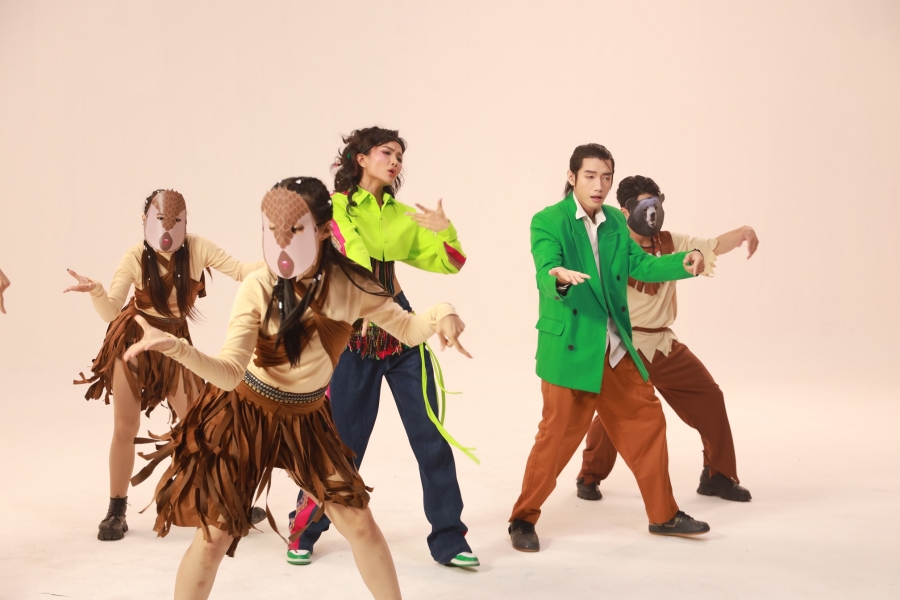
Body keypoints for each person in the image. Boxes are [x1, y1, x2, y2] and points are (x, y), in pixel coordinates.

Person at [126, 177, 472, 600]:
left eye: (294, 230)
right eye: (271, 230)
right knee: (215, 535)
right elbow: (230, 372)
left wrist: (443, 312)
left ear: (324, 231)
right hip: (246, 416)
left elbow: (408, 329)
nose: (281, 242)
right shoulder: (257, 286)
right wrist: (177, 348)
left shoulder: (351, 285)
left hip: (308, 420)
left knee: (361, 525)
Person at [508, 144, 711, 553]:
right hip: (571, 350)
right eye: (590, 176)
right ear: (572, 177)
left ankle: (663, 515)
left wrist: (683, 262)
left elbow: (641, 265)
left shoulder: (616, 221)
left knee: (647, 421)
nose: (599, 185)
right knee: (555, 440)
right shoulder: (548, 220)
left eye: (606, 177)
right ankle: (523, 518)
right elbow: (545, 268)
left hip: (616, 348)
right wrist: (558, 276)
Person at [297, 127, 479, 569]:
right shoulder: (336, 207)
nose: (395, 161)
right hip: (355, 331)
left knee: (431, 437)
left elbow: (451, 263)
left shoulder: (401, 214)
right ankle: (305, 528)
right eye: (386, 152)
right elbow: (354, 259)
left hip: (400, 328)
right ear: (360, 158)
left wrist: (445, 230)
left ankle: (450, 539)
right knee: (343, 446)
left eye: (399, 155)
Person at [65, 189, 264, 541]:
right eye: (160, 220)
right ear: (145, 221)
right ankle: (116, 509)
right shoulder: (134, 256)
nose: (168, 229)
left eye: (176, 221)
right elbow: (111, 312)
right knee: (126, 426)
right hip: (134, 342)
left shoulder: (198, 248)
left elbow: (240, 271)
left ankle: (226, 502)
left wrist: (284, 258)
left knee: (200, 426)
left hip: (174, 345)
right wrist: (96, 290)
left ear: (185, 223)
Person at [576, 175, 757, 503]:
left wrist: (742, 232)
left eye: (656, 206)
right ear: (625, 211)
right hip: (625, 345)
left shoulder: (671, 242)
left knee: (709, 397)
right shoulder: (611, 245)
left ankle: (717, 475)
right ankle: (589, 475)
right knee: (616, 413)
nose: (652, 214)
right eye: (644, 207)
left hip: (664, 344)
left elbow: (712, 245)